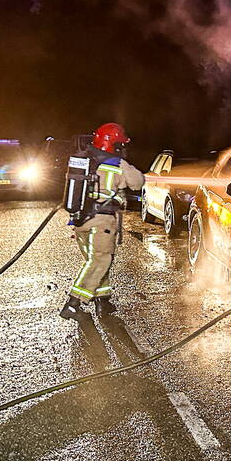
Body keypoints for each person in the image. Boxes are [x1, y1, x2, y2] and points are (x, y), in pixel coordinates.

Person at [60, 123, 144, 321]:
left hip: (81, 219)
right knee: (101, 260)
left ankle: (103, 302)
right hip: (102, 221)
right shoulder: (116, 164)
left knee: (97, 260)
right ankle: (73, 304)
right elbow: (137, 182)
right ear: (113, 144)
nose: (122, 147)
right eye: (120, 144)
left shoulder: (85, 160)